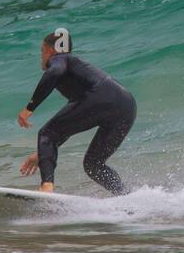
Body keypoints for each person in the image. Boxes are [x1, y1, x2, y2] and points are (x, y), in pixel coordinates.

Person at [17, 32, 137, 195]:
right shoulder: (77, 73)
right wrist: (43, 153)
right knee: (93, 164)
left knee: (46, 133)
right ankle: (125, 197)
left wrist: (29, 108)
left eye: (42, 51)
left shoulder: (60, 59)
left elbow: (54, 72)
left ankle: (47, 187)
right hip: (126, 105)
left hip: (101, 96)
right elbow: (66, 129)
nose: (42, 57)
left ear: (51, 51)